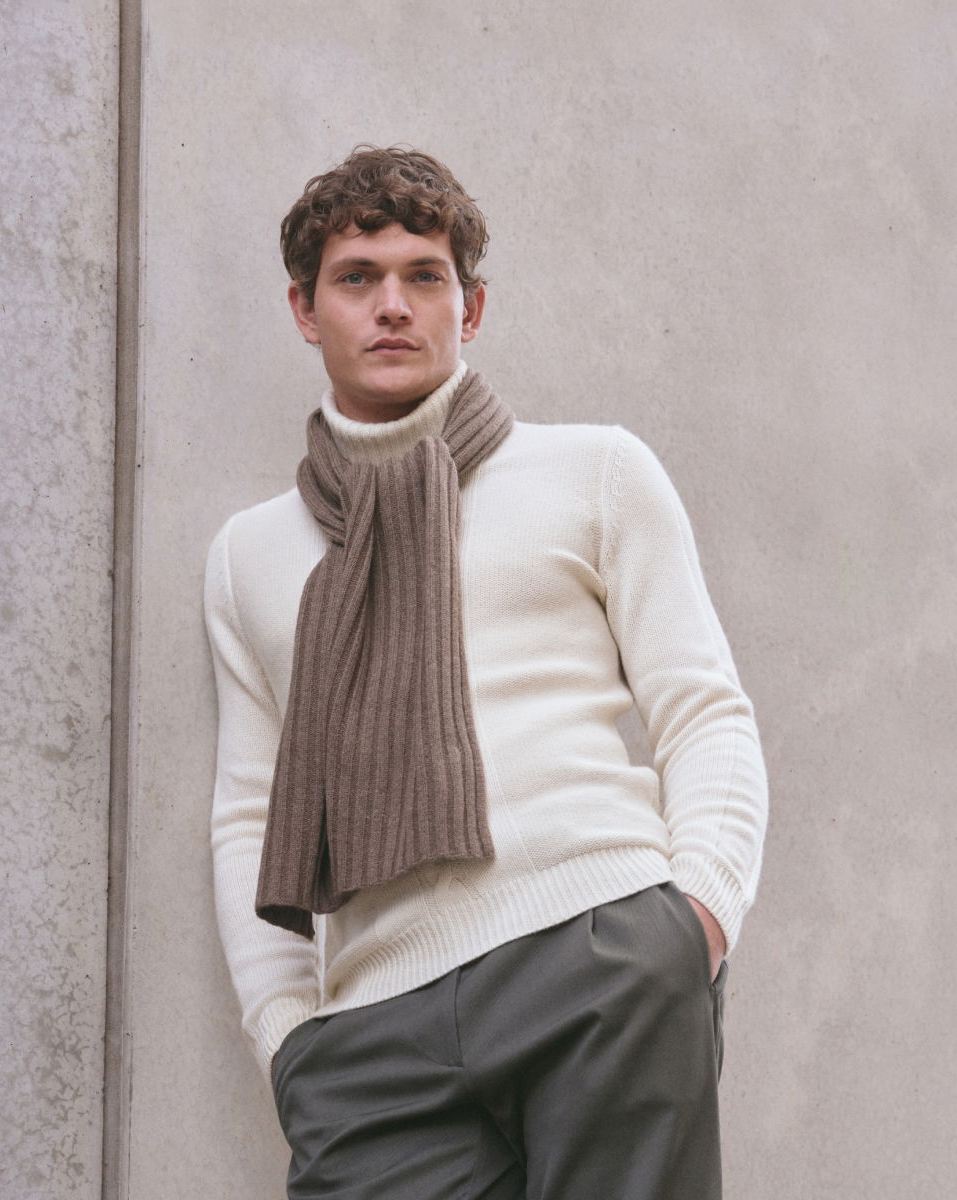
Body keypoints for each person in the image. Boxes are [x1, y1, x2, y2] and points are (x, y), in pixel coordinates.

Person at [204, 144, 768, 1200]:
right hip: (371, 1028)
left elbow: (704, 711)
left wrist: (694, 924)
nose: (393, 306)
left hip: (598, 964)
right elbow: (249, 813)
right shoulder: (251, 556)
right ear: (303, 308)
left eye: (425, 276)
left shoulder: (595, 471)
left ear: (470, 307)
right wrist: (286, 1034)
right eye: (357, 277)